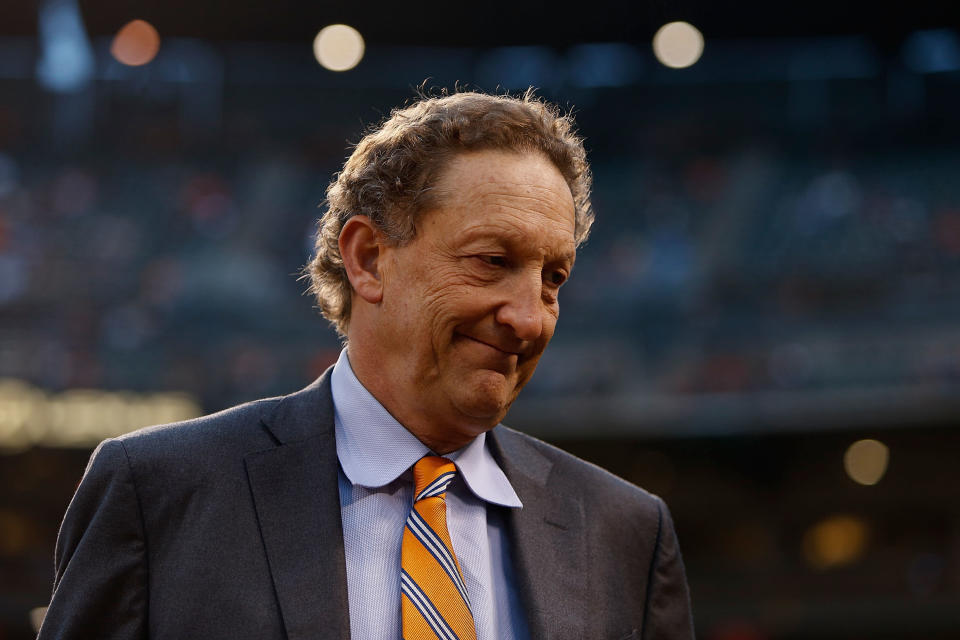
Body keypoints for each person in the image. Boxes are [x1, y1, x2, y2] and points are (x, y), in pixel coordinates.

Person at [38, 91, 694, 640]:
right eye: (492, 262)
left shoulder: (625, 533)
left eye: (553, 279)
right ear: (370, 259)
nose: (529, 317)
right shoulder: (158, 495)